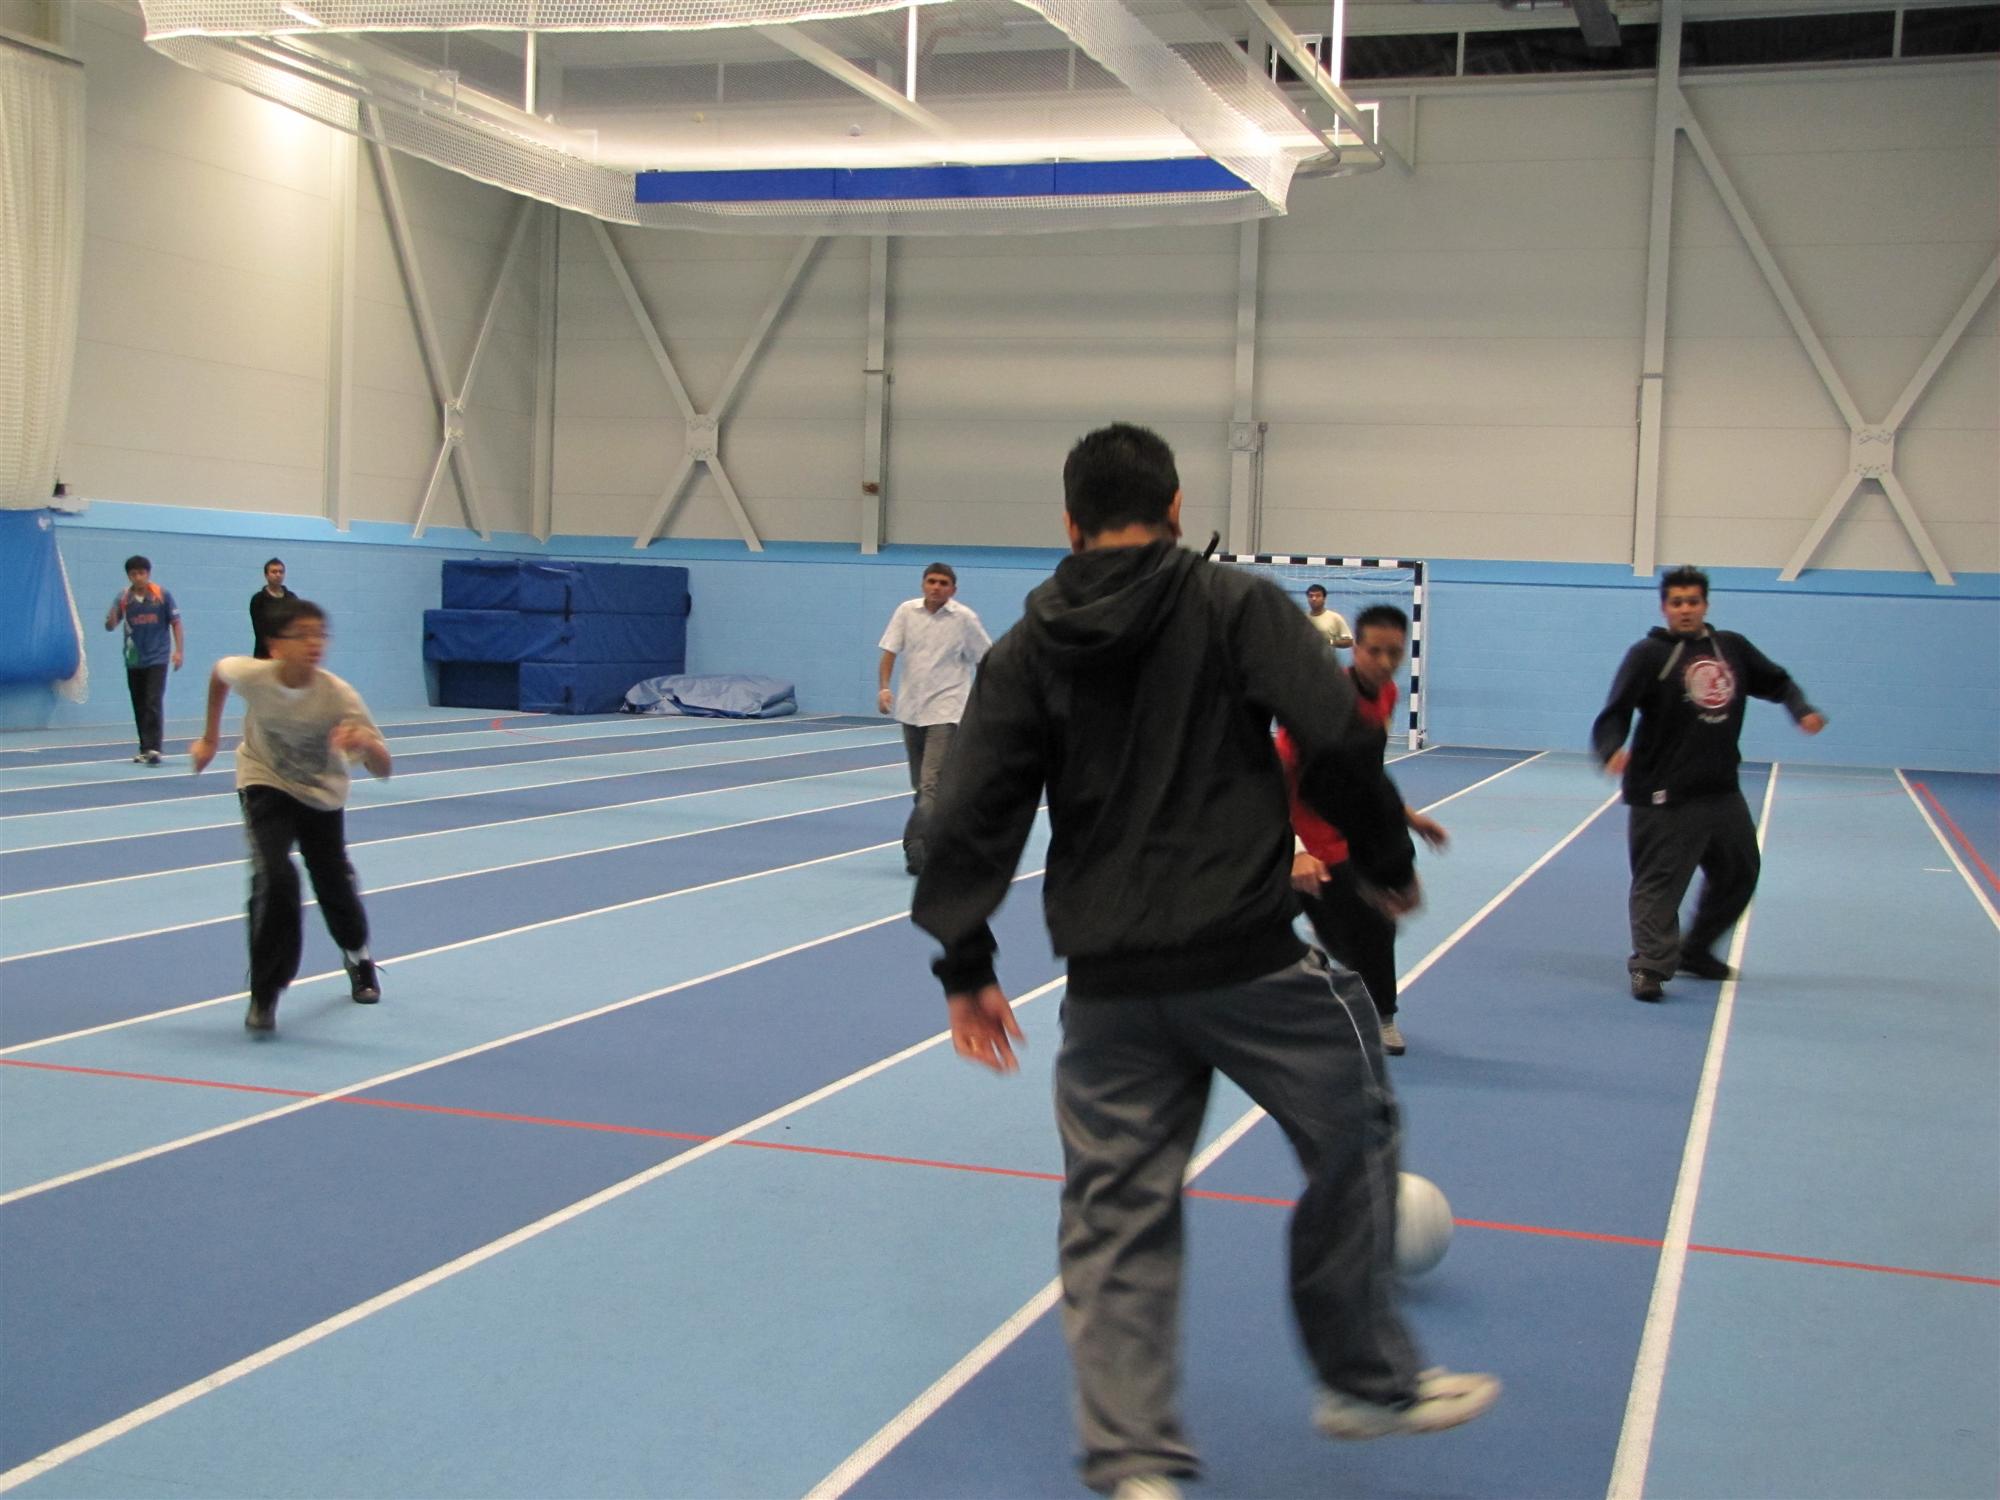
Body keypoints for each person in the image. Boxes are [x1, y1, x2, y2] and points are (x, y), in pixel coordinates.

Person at [912, 424, 1498, 1499]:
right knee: (1355, 1123)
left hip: (1108, 992)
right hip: (1249, 967)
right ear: (1176, 506)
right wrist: (1380, 858)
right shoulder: (1236, 606)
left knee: (1115, 1214)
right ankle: (1361, 1378)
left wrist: (965, 963)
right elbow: (1333, 731)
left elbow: (965, 816)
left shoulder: (1028, 649)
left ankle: (1133, 1462)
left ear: (1068, 523)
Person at [1591, 566, 1826, 1003]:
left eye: (1693, 602)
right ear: (1665, 607)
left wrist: (1800, 708)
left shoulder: (1731, 648)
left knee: (1740, 873)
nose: (1685, 609)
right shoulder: (1648, 655)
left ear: (1705, 605)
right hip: (1663, 794)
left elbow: (1777, 681)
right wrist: (1610, 751)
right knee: (1659, 885)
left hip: (1720, 790)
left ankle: (1696, 951)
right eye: (1677, 602)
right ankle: (1649, 967)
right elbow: (1615, 712)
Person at [189, 598, 391, 1035]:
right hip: (264, 778)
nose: (314, 643)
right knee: (274, 877)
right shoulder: (253, 675)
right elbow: (218, 675)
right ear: (276, 646)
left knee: (332, 882)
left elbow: (385, 769)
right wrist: (209, 739)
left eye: (320, 634)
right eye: (302, 635)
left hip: (321, 794)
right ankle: (265, 991)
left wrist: (368, 745)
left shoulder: (338, 696)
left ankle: (358, 957)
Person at [1279, 604, 1446, 1057]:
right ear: (1356, 647)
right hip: (1292, 839)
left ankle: (1382, 1015)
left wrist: (1409, 816)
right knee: (1248, 930)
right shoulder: (1321, 701)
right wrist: (1294, 848)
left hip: (1341, 841)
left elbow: (1365, 773)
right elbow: (1275, 777)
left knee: (1374, 928)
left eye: (1395, 652)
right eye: (1376, 651)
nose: (1386, 662)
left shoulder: (1387, 695)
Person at [877, 562, 991, 876]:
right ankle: (943, 843)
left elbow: (987, 660)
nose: (936, 587)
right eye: (931, 581)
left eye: (943, 583)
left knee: (930, 784)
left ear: (953, 589)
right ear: (923, 584)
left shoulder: (964, 619)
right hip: (911, 709)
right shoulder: (906, 612)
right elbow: (889, 651)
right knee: (922, 786)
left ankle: (914, 846)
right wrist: (885, 688)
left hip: (947, 710)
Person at [104, 555, 184, 765]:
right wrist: (111, 620)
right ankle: (144, 747)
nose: (138, 577)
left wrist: (178, 652)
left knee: (152, 700)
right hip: (134, 658)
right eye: (134, 574)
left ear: (148, 574)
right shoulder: (124, 598)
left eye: (142, 573)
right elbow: (111, 625)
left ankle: (154, 747)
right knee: (139, 703)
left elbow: (176, 623)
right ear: (129, 576)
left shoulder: (162, 595)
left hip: (157, 657)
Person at [249, 557, 295, 659]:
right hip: (265, 654)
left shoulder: (292, 598)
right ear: (266, 575)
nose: (278, 575)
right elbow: (260, 630)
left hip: (288, 654)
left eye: (281, 572)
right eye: (274, 572)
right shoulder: (258, 599)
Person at [1303, 583, 1352, 651]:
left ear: (1324, 598)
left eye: (1318, 596)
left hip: (1325, 660)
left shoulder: (1335, 617)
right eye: (1311, 596)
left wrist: (1330, 642)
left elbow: (1349, 641)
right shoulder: (1302, 619)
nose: (1314, 599)